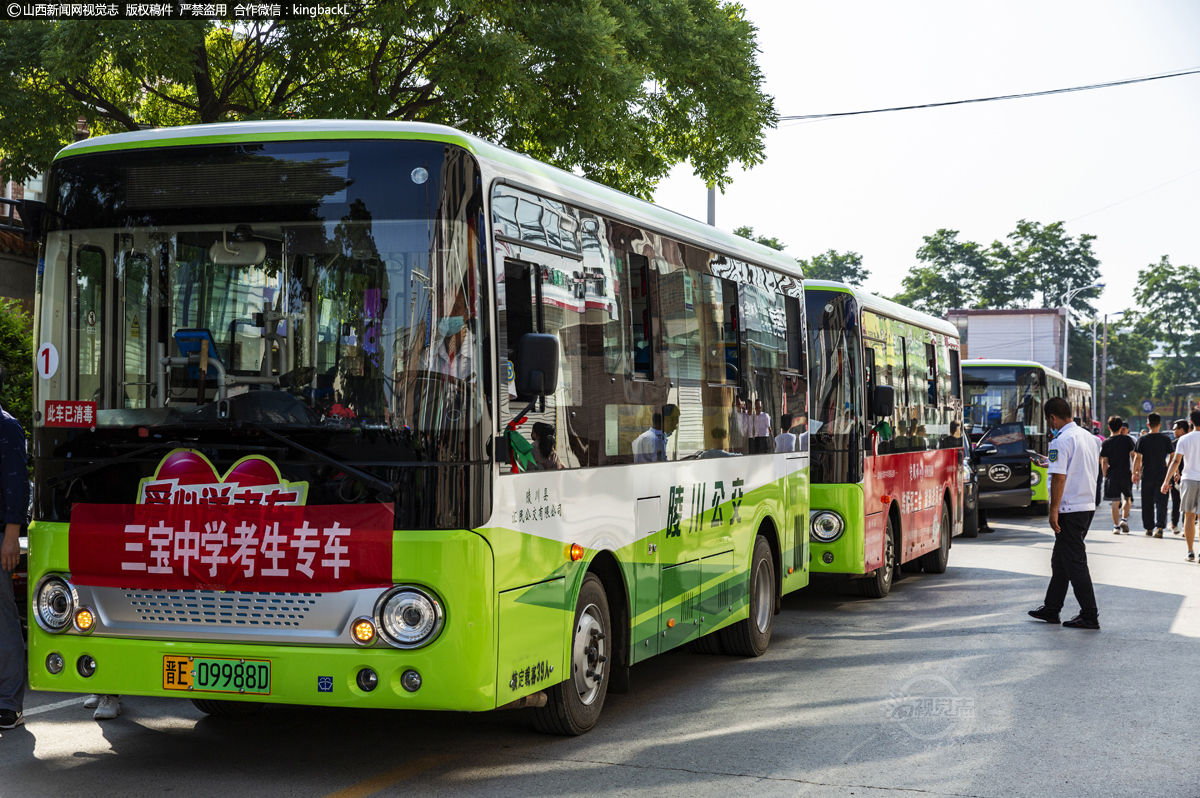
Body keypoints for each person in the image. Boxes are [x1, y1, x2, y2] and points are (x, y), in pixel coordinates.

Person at [1028, 396, 1101, 630]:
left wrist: (1053, 511)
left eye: (1049, 421)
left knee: (1075, 563)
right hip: (1086, 506)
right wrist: (1049, 465)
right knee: (1061, 561)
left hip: (1069, 509)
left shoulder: (1060, 441)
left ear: (1052, 418)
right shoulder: (1089, 437)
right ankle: (1051, 609)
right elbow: (1076, 467)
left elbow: (1060, 478)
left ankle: (1089, 615)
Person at [0, 364, 27, 729]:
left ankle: (8, 701)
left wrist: (10, 536)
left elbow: (17, 485)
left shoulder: (6, 426)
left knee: (3, 619)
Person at [1161, 409, 1200, 562]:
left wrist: (1166, 481)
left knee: (1189, 515)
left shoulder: (1184, 439)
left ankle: (1190, 551)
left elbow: (1175, 462)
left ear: (1191, 422)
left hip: (1189, 479)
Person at [1133, 413, 1174, 537]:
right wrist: (1171, 471)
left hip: (1147, 474)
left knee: (1147, 502)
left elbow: (1137, 457)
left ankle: (1148, 528)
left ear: (1148, 424)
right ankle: (1160, 527)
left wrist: (1135, 472)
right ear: (1160, 424)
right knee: (1162, 502)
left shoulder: (1142, 439)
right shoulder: (1166, 439)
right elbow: (1173, 456)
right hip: (1162, 473)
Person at [1099, 416, 1135, 534]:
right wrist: (1135, 471)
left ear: (1109, 427)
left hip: (1112, 474)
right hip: (1125, 473)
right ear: (1121, 428)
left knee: (1115, 501)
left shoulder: (1106, 442)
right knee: (1127, 497)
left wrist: (1105, 474)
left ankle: (1115, 527)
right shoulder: (1127, 440)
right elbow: (1134, 455)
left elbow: (1104, 461)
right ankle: (1124, 519)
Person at [1169, 419, 1189, 534]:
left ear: (1181, 430)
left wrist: (1170, 477)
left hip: (1180, 476)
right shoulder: (1191, 441)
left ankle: (1175, 525)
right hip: (1188, 476)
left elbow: (1173, 461)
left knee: (1177, 502)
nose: (1173, 431)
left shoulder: (1176, 443)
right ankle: (1181, 527)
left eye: (1174, 429)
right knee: (1185, 504)